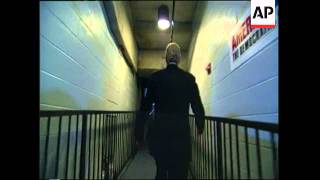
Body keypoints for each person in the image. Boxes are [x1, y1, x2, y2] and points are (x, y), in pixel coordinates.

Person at [135, 42, 205, 179]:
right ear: (179, 58)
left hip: (160, 133)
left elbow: (145, 107)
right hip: (181, 133)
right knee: (179, 172)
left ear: (166, 58)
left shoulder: (155, 78)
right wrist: (200, 124)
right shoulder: (188, 79)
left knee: (161, 170)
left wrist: (139, 132)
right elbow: (197, 104)